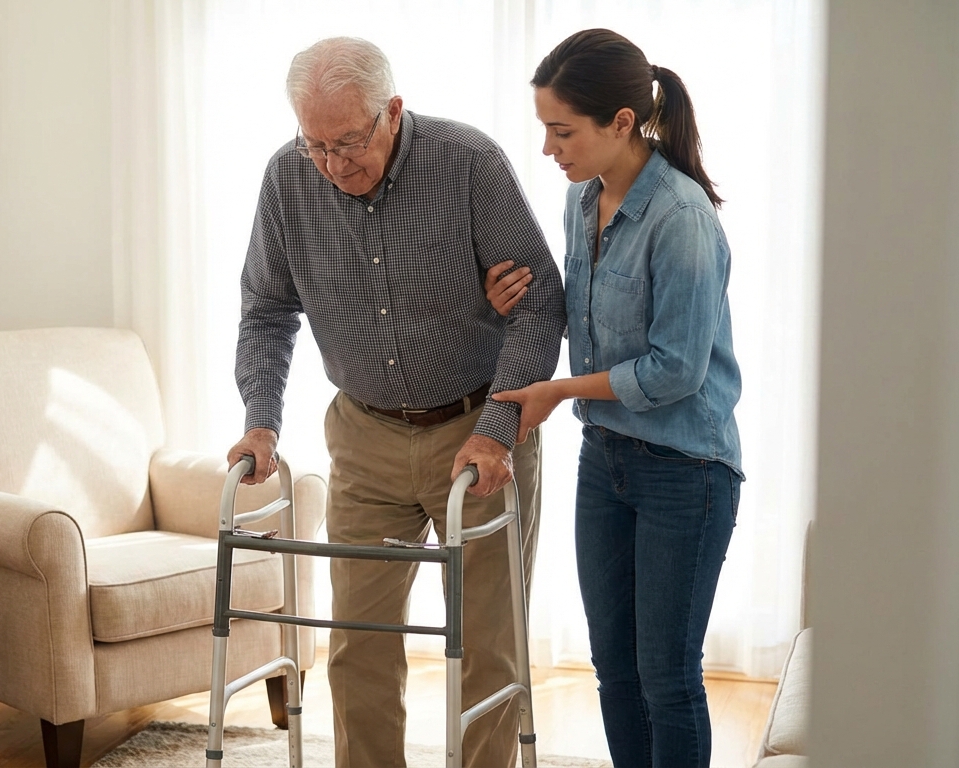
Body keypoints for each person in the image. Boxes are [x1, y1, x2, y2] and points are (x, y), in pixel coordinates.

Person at [227, 36, 565, 768]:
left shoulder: (469, 164)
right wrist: (261, 419)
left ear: (393, 112)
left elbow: (540, 305)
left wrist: (500, 429)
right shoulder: (288, 179)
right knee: (358, 648)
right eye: (315, 143)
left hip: (478, 433)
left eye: (349, 141)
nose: (333, 163)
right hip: (365, 437)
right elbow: (265, 308)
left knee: (488, 648)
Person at [489, 28, 743, 768]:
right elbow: (589, 317)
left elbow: (674, 371)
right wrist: (505, 300)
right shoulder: (581, 201)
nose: (549, 149)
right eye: (545, 129)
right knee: (615, 669)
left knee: (667, 676)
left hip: (685, 471)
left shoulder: (684, 220)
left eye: (562, 131)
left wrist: (561, 388)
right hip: (606, 459)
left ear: (622, 123)